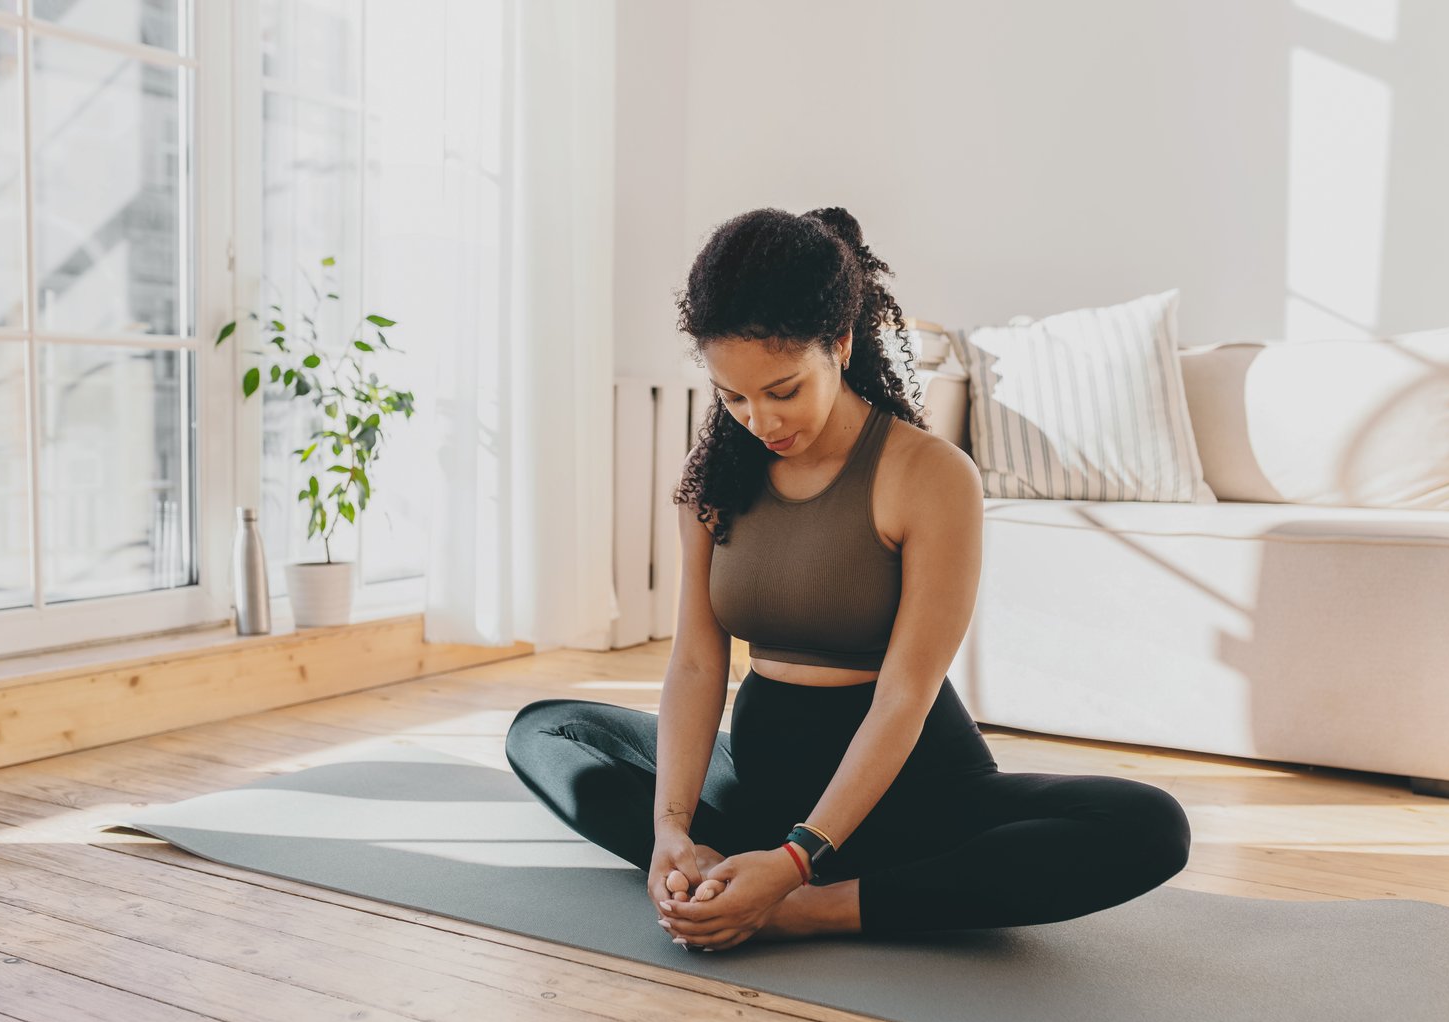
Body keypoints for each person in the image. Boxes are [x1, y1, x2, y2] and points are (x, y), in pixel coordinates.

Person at [504, 206, 1191, 953]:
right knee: (546, 731)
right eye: (734, 397)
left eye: (783, 390)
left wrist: (798, 861)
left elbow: (905, 693)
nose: (760, 421)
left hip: (913, 799)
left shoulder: (929, 475)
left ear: (840, 343)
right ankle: (717, 871)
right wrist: (669, 828)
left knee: (1148, 824)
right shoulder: (714, 478)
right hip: (760, 792)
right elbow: (697, 662)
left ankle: (811, 906)